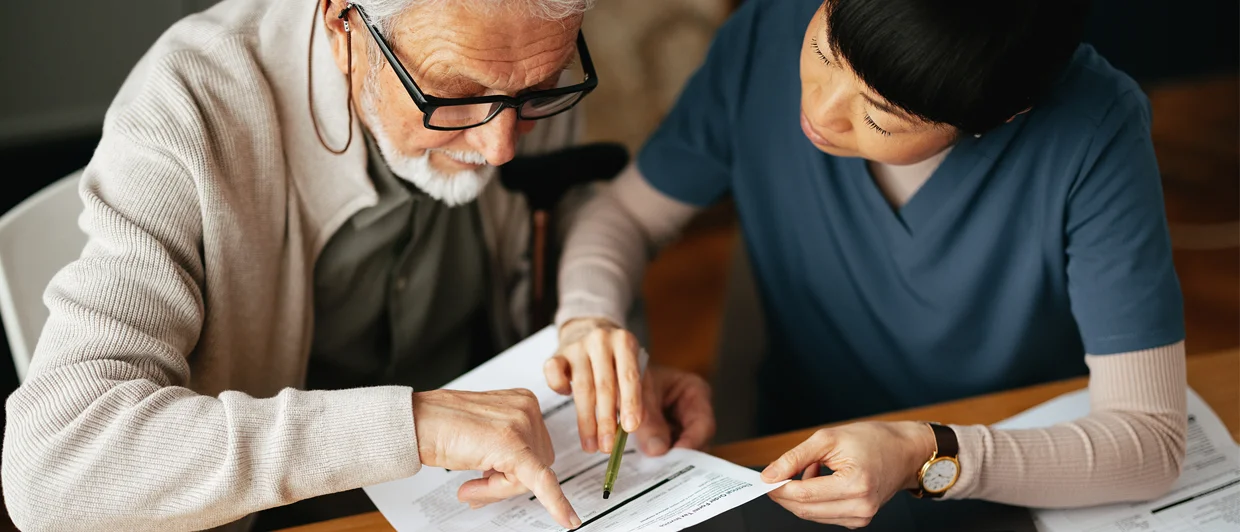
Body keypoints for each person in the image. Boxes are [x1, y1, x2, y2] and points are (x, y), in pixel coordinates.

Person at [0, 0, 712, 530]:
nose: (501, 147)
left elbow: (565, 219)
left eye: (536, 91)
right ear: (345, 27)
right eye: (456, 95)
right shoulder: (193, 103)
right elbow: (51, 466)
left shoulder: (515, 67)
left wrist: (591, 362)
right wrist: (413, 425)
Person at [549, 0, 1189, 527]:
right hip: (792, 471)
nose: (820, 110)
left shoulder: (1092, 128)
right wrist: (588, 319)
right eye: (824, 52)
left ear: (1000, 118)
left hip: (1011, 482)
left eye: (880, 116)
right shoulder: (769, 30)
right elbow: (623, 217)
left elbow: (1150, 442)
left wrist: (923, 455)